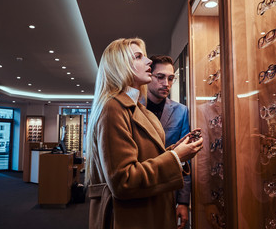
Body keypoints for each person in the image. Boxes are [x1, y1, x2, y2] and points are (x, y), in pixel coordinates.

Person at [85, 37, 203, 229]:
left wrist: (178, 152)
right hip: (132, 217)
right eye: (139, 56)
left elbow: (148, 157)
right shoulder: (113, 108)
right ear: (119, 65)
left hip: (149, 211)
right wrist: (175, 156)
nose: (148, 61)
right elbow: (123, 180)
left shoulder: (138, 109)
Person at [146, 55, 191, 229]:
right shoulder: (134, 108)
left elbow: (185, 160)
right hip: (140, 185)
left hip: (168, 191)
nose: (166, 83)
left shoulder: (181, 111)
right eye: (160, 77)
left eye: (171, 78)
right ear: (149, 76)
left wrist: (183, 201)